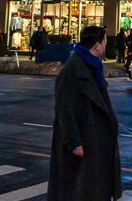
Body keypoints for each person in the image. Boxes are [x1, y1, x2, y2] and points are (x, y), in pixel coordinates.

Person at [47, 25, 121, 201]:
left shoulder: (92, 67)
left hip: (94, 141)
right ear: (97, 46)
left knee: (94, 188)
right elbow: (64, 110)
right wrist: (75, 142)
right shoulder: (72, 70)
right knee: (78, 190)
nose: (105, 45)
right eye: (104, 42)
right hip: (83, 142)